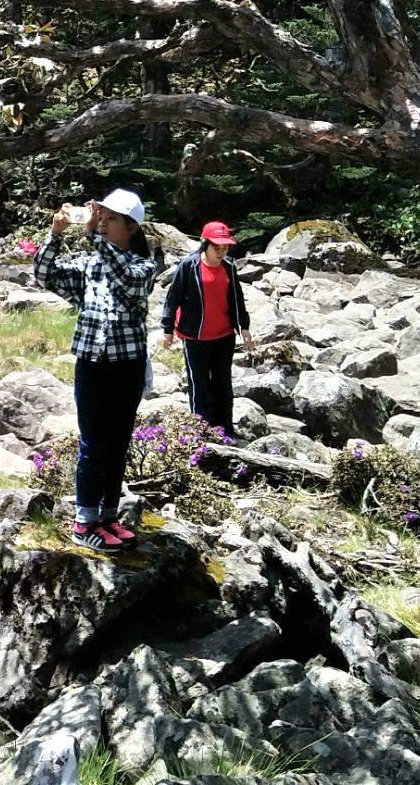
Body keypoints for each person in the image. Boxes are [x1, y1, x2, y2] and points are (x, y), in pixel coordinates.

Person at [34, 188, 157, 553]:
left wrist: (88, 234)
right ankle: (84, 520)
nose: (102, 223)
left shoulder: (142, 267)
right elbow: (44, 275)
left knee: (118, 443)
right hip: (92, 364)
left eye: (110, 218)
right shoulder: (90, 265)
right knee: (93, 443)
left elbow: (123, 275)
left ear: (132, 227)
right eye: (101, 216)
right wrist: (55, 235)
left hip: (127, 364)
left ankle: (107, 516)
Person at [160, 221, 255, 437]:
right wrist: (167, 329)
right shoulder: (189, 266)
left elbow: (236, 299)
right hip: (195, 336)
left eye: (225, 247)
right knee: (199, 385)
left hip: (224, 336)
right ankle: (200, 433)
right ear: (205, 244)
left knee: (223, 385)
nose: (222, 251)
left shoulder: (229, 266)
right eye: (217, 247)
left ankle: (224, 431)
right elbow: (172, 298)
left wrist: (244, 327)